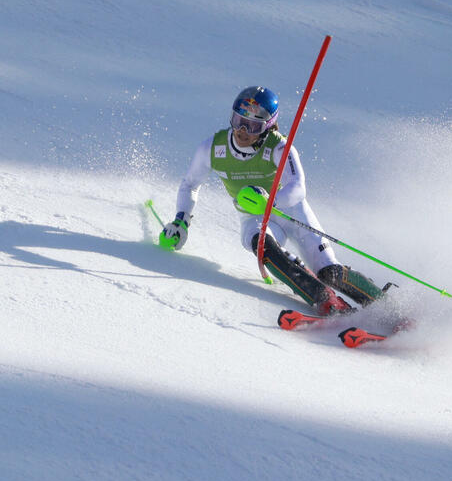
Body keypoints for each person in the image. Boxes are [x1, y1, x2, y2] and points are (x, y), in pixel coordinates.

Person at [158, 85, 386, 315]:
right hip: (253, 218)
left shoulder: (278, 146)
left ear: (267, 127)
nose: (243, 131)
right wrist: (181, 221)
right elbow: (190, 184)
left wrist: (270, 203)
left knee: (329, 272)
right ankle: (324, 300)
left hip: (292, 213)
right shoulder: (212, 148)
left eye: (254, 126)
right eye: (238, 121)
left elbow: (298, 188)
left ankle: (386, 305)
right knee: (262, 246)